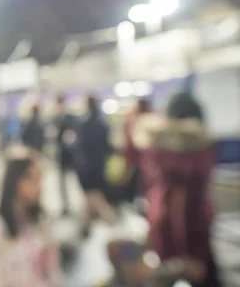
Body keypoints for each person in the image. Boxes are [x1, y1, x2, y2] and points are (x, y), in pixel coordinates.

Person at [124, 92, 220, 287]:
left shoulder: (157, 149)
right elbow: (179, 205)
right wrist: (186, 256)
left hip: (164, 238)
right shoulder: (193, 151)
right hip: (191, 245)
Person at [0, 152, 60, 287]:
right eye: (33, 180)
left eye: (40, 180)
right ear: (16, 182)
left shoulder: (42, 221)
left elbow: (52, 270)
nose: (39, 187)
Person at [75, 95, 118, 237]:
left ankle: (111, 223)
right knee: (91, 198)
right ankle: (85, 225)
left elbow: (79, 146)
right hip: (99, 166)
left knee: (95, 198)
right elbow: (108, 147)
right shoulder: (103, 124)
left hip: (86, 167)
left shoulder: (82, 124)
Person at [53, 96, 77, 216]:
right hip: (62, 156)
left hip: (71, 157)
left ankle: (74, 205)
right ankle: (66, 206)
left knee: (73, 182)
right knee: (62, 184)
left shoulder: (69, 119)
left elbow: (71, 137)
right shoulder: (56, 119)